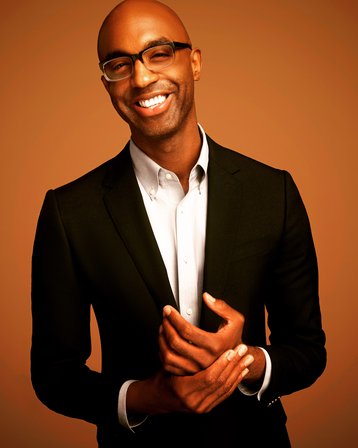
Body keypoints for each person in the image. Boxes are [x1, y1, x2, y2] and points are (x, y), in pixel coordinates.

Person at [30, 0, 327, 446]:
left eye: (159, 52)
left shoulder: (273, 192)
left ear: (194, 61)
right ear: (106, 83)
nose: (142, 77)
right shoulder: (69, 212)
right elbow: (53, 376)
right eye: (119, 64)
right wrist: (149, 397)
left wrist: (241, 361)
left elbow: (307, 350)